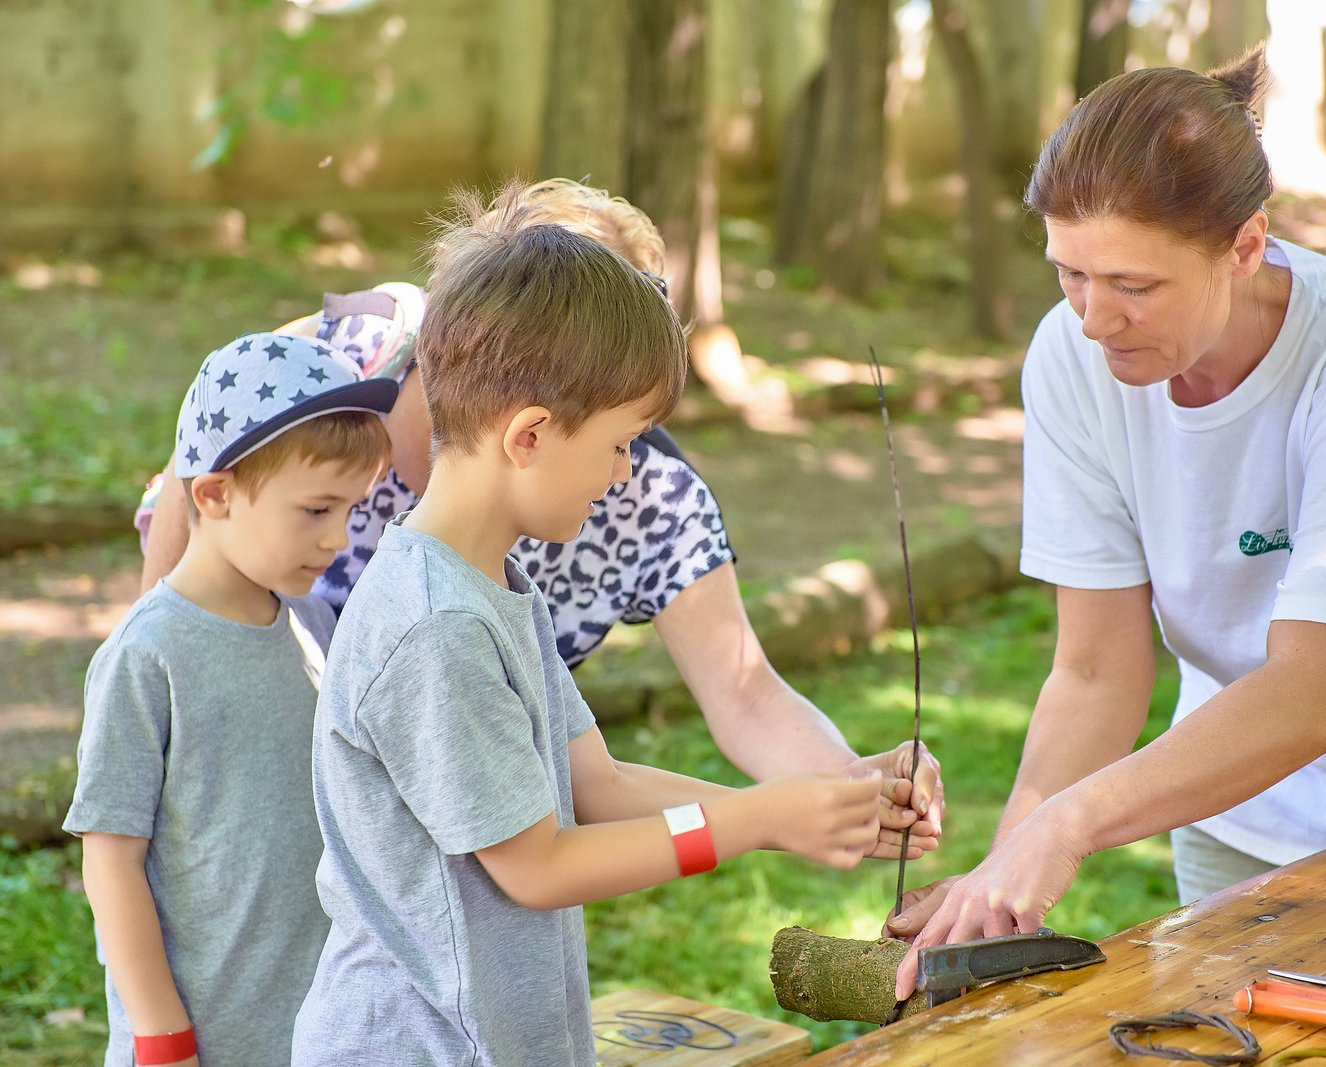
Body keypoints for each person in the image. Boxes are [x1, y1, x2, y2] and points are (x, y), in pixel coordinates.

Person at [888, 45, 1326, 999]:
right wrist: (1002, 882)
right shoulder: (1072, 358)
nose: (1094, 319)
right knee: (1221, 1023)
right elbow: (1095, 669)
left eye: (1134, 285)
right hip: (1231, 771)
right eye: (1069, 274)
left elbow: (1314, 695)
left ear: (1245, 246)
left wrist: (1075, 821)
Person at [136, 178, 943, 859]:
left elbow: (717, 702)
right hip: (270, 713)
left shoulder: (630, 501)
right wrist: (156, 679)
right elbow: (199, 463)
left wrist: (847, 793)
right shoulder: (355, 361)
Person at [289, 206, 883, 1065]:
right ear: (528, 434)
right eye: (619, 444)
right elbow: (538, 866)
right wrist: (752, 819)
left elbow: (595, 784)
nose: (623, 475)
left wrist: (811, 809)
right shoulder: (436, 624)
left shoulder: (494, 583)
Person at [63, 333, 398, 1067]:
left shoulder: (311, 624)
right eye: (315, 510)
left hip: (316, 1029)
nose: (339, 537)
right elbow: (111, 859)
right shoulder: (148, 653)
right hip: (197, 1042)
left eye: (349, 509)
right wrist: (162, 1033)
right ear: (215, 493)